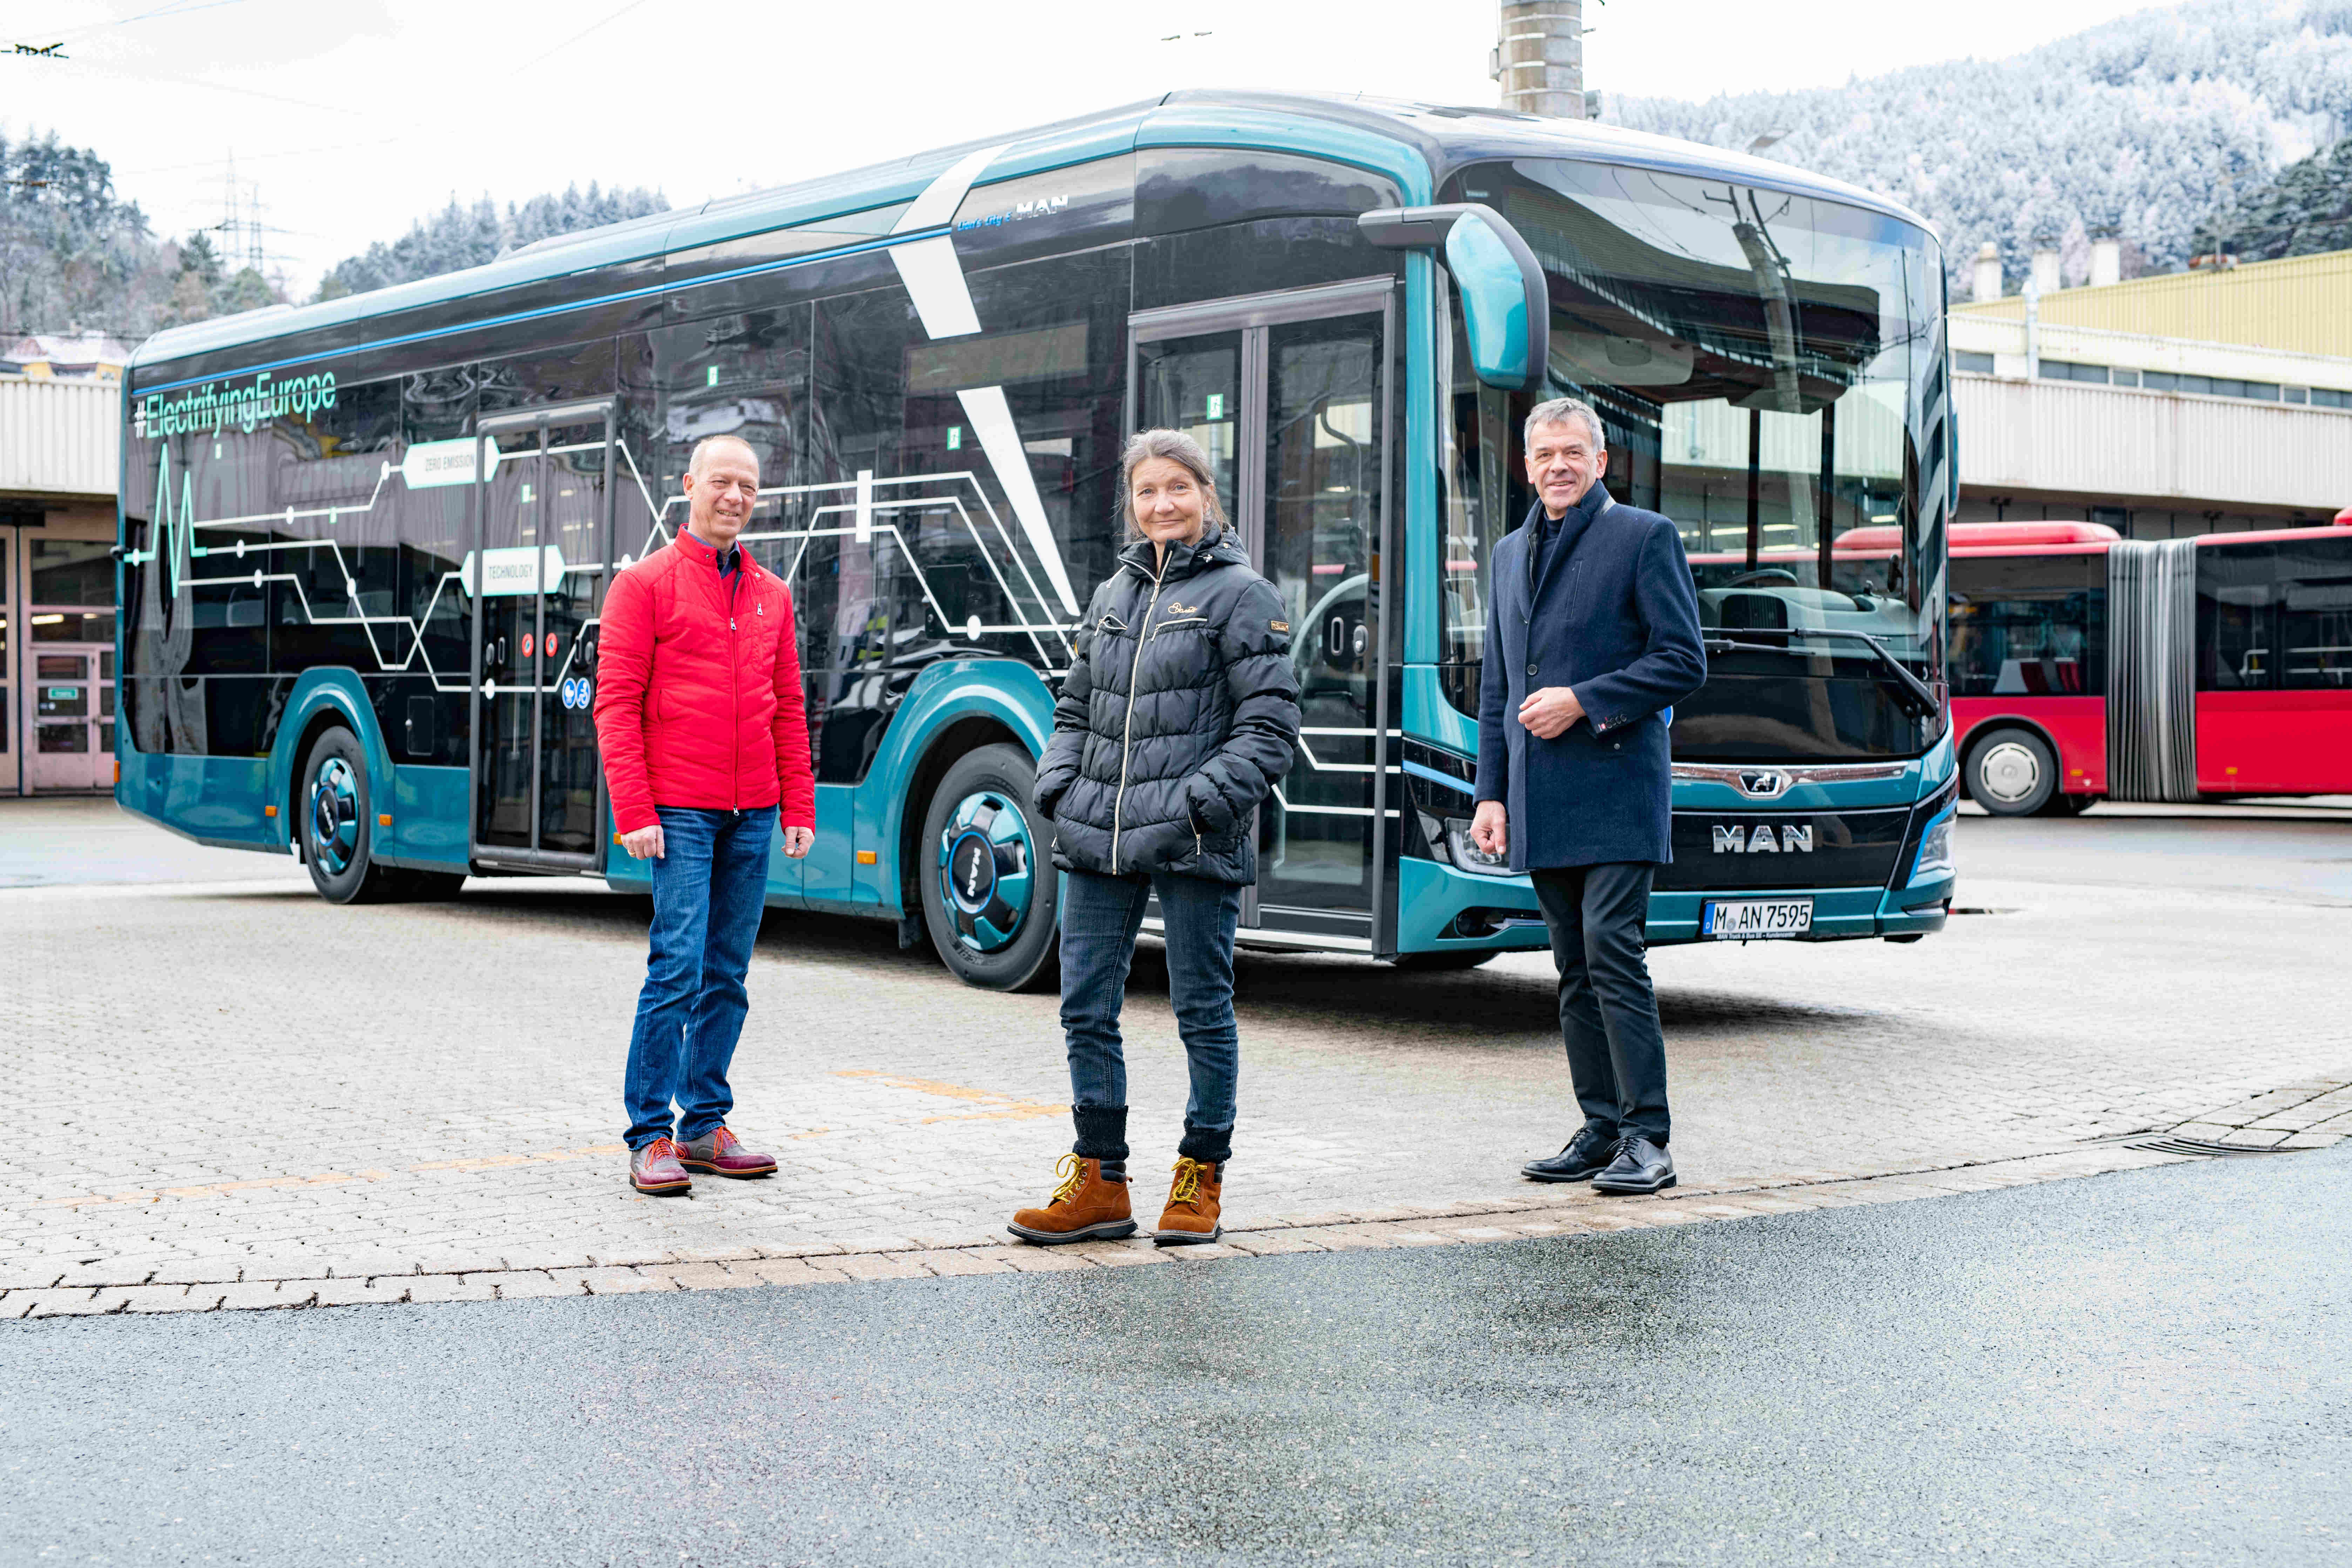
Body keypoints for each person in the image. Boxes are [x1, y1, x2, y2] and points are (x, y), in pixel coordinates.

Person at [1012, 429, 1302, 1246]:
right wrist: (1058, 789)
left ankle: (1199, 1180)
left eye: (1178, 488)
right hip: (1098, 833)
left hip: (1193, 838)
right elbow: (1074, 709)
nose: (1162, 504)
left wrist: (1195, 807)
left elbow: (1271, 728)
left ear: (1208, 496)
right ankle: (1099, 1181)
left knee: (1202, 1010)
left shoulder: (1243, 593)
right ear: (1133, 504)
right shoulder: (1114, 594)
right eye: (1147, 492)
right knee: (1084, 1007)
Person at [1471, 397, 1707, 1195]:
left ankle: (1651, 1138)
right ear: (1528, 466)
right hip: (1539, 795)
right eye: (1544, 455)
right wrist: (1490, 794)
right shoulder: (1508, 553)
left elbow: (1684, 660)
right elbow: (1499, 685)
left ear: (1601, 462)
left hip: (1616, 787)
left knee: (1613, 951)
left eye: (1574, 452)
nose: (1558, 466)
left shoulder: (1644, 537)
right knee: (1572, 966)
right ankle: (1602, 1127)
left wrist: (1585, 698)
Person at [594, 434, 817, 1196]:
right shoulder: (644, 585)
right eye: (721, 481)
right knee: (677, 967)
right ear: (688, 484)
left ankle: (704, 1126)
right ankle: (650, 1133)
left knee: (729, 972)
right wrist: (635, 809)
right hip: (678, 810)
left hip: (751, 811)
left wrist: (798, 802)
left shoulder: (772, 595)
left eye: (749, 487)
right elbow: (616, 705)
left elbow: (788, 705)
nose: (735, 497)